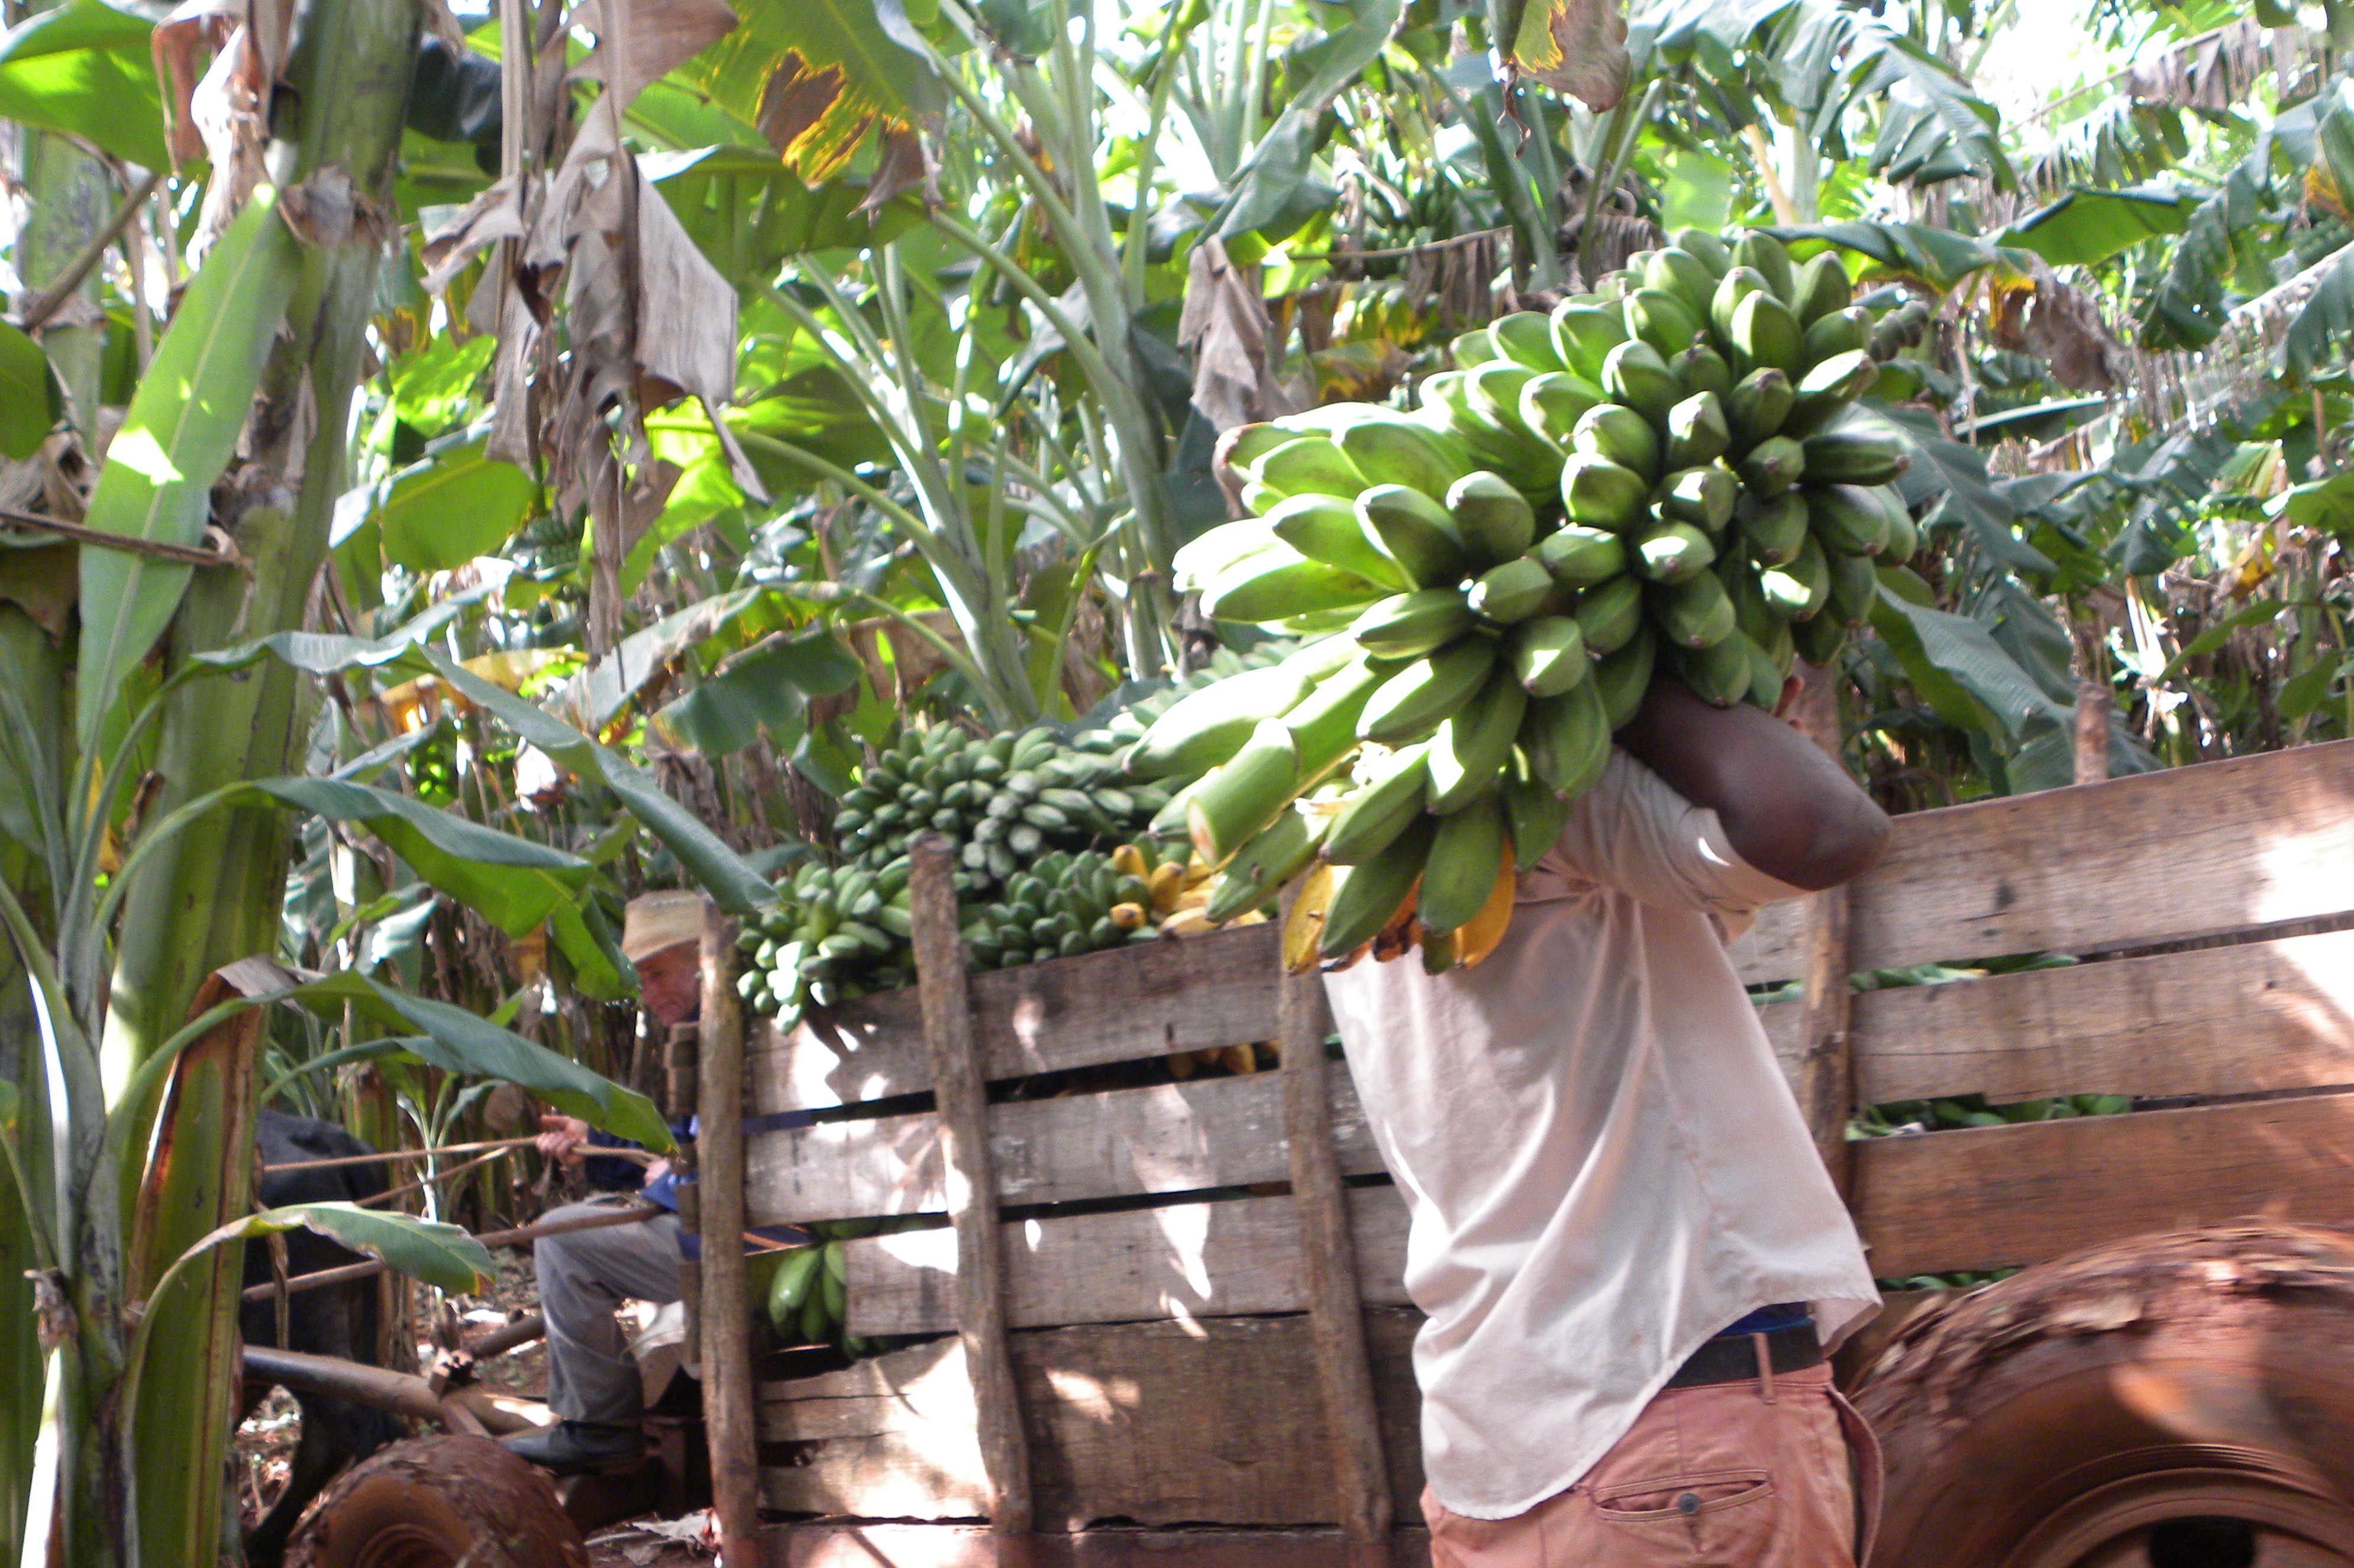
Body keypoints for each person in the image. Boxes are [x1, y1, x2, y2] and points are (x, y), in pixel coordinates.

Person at [1322, 673, 1893, 1567]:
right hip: (1665, 1430)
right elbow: (1823, 827)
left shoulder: (1348, 853)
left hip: (1493, 1450)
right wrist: (1606, 676)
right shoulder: (1546, 787)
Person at [503, 891, 805, 1473]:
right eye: (641, 979)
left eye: (657, 972)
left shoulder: (753, 1034)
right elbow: (677, 1145)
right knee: (577, 1223)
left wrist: (677, 1177)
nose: (648, 993)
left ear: (705, 959)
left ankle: (598, 1424)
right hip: (730, 1226)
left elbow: (754, 1153)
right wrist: (597, 1144)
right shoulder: (713, 1029)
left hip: (752, 1243)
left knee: (561, 1237)